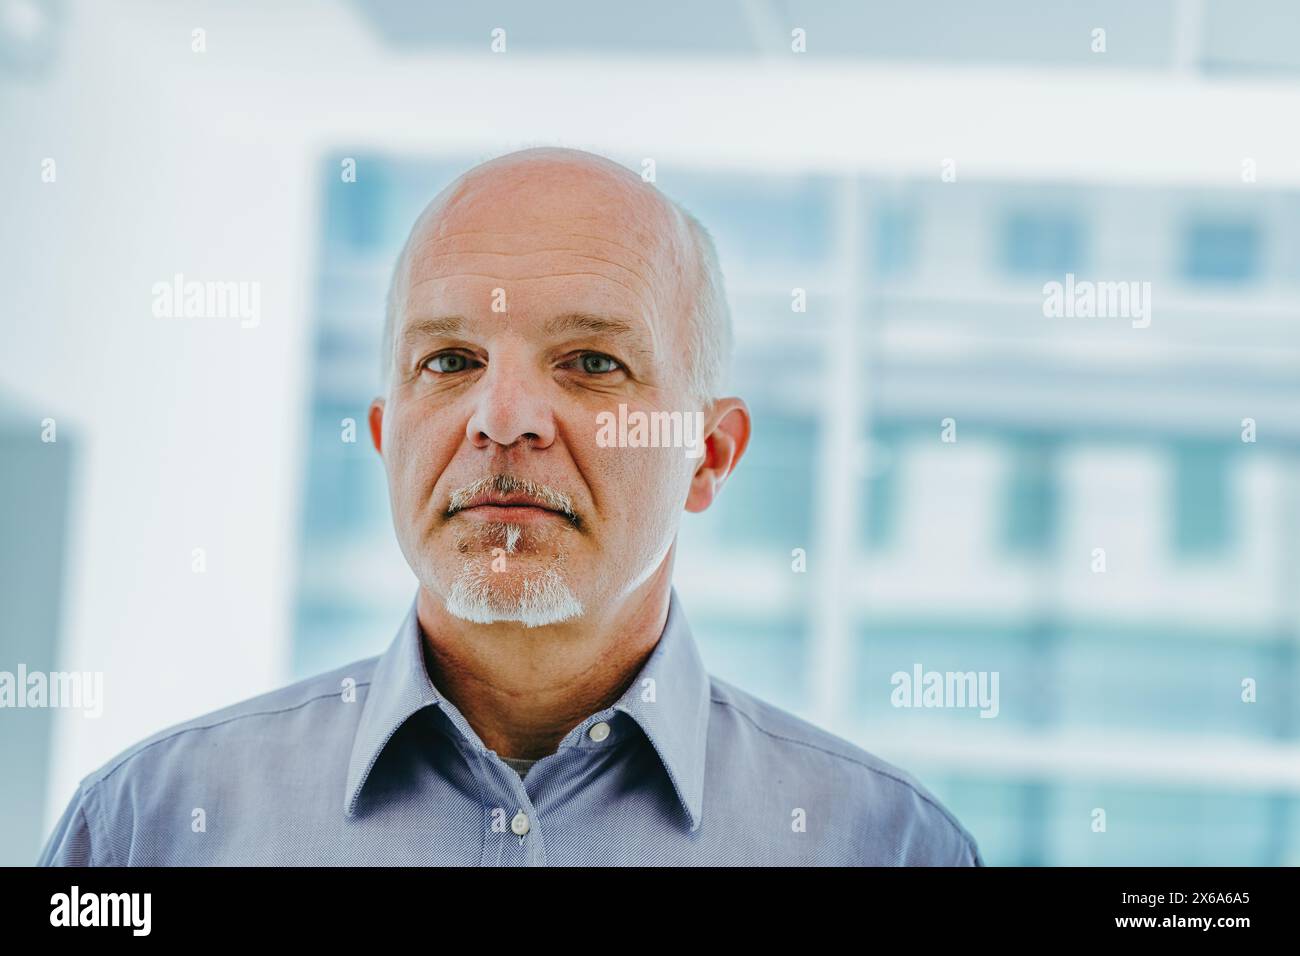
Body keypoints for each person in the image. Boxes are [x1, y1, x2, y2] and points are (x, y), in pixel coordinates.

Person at [39, 147, 983, 865]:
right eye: (448, 362)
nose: (502, 419)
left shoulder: (884, 843)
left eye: (591, 363)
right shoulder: (146, 825)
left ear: (709, 454)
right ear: (385, 437)